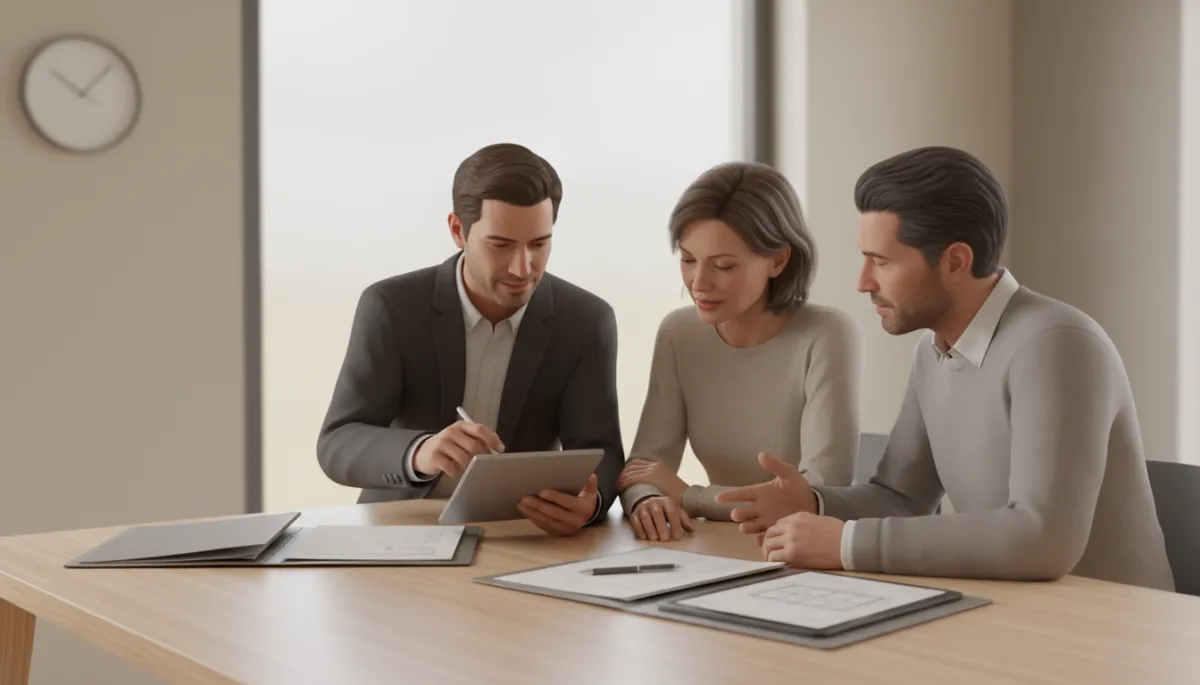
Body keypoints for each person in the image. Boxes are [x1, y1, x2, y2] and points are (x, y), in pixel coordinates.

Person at [716, 146, 1175, 591]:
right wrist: (815, 503)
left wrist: (848, 544)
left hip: (1115, 639)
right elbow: (903, 497)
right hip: (1020, 617)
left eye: (882, 261)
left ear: (955, 261)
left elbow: (1043, 539)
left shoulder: (1058, 345)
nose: (863, 282)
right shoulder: (933, 350)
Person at [316, 142, 625, 536]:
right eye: (501, 245)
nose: (523, 267)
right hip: (399, 533)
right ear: (458, 230)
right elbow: (337, 441)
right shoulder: (391, 306)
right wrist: (420, 451)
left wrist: (590, 503)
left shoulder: (586, 320)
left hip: (521, 535)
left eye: (539, 244)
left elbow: (603, 451)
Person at [616, 161, 863, 542]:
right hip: (720, 550)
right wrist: (646, 500)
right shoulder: (679, 333)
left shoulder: (826, 335)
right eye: (687, 259)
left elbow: (816, 494)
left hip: (803, 554)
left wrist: (688, 496)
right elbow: (645, 468)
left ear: (779, 260)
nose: (699, 283)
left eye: (724, 266)